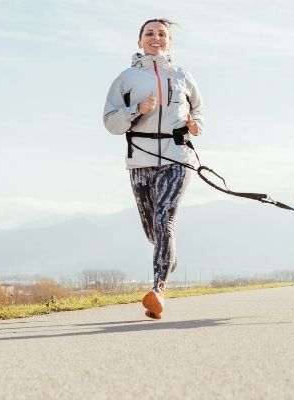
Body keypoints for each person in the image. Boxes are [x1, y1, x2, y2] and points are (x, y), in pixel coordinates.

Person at [103, 18, 204, 320]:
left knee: (165, 219)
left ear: (169, 42)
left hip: (177, 158)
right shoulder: (126, 78)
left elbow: (198, 109)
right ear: (139, 41)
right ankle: (167, 252)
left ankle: (158, 290)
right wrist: (137, 110)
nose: (155, 38)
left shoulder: (183, 75)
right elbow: (110, 122)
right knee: (153, 230)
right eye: (149, 33)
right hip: (141, 161)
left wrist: (196, 125)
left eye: (162, 34)